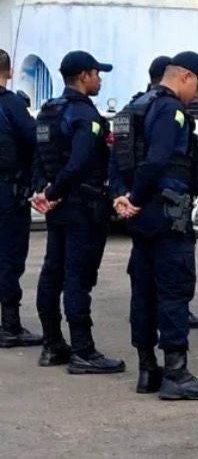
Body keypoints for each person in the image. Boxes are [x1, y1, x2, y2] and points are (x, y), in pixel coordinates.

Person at [113, 50, 198, 400]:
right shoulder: (170, 109)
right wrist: (139, 198)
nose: (196, 97)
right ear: (184, 77)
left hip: (140, 215)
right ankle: (176, 373)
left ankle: (148, 369)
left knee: (143, 290)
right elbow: (158, 159)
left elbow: (117, 159)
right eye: (197, 88)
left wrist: (122, 197)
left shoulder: (135, 106)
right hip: (164, 212)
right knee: (174, 290)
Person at [31, 51, 123, 373]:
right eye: (97, 74)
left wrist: (43, 192)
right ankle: (83, 351)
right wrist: (53, 192)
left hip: (59, 206)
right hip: (82, 207)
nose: (99, 80)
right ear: (84, 76)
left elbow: (40, 159)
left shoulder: (49, 112)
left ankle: (52, 344)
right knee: (76, 278)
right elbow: (80, 161)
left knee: (52, 274)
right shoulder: (85, 115)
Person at [0, 47, 41, 349]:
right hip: (8, 192)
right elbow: (36, 139)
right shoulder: (12, 105)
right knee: (10, 258)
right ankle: (10, 326)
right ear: (10, 72)